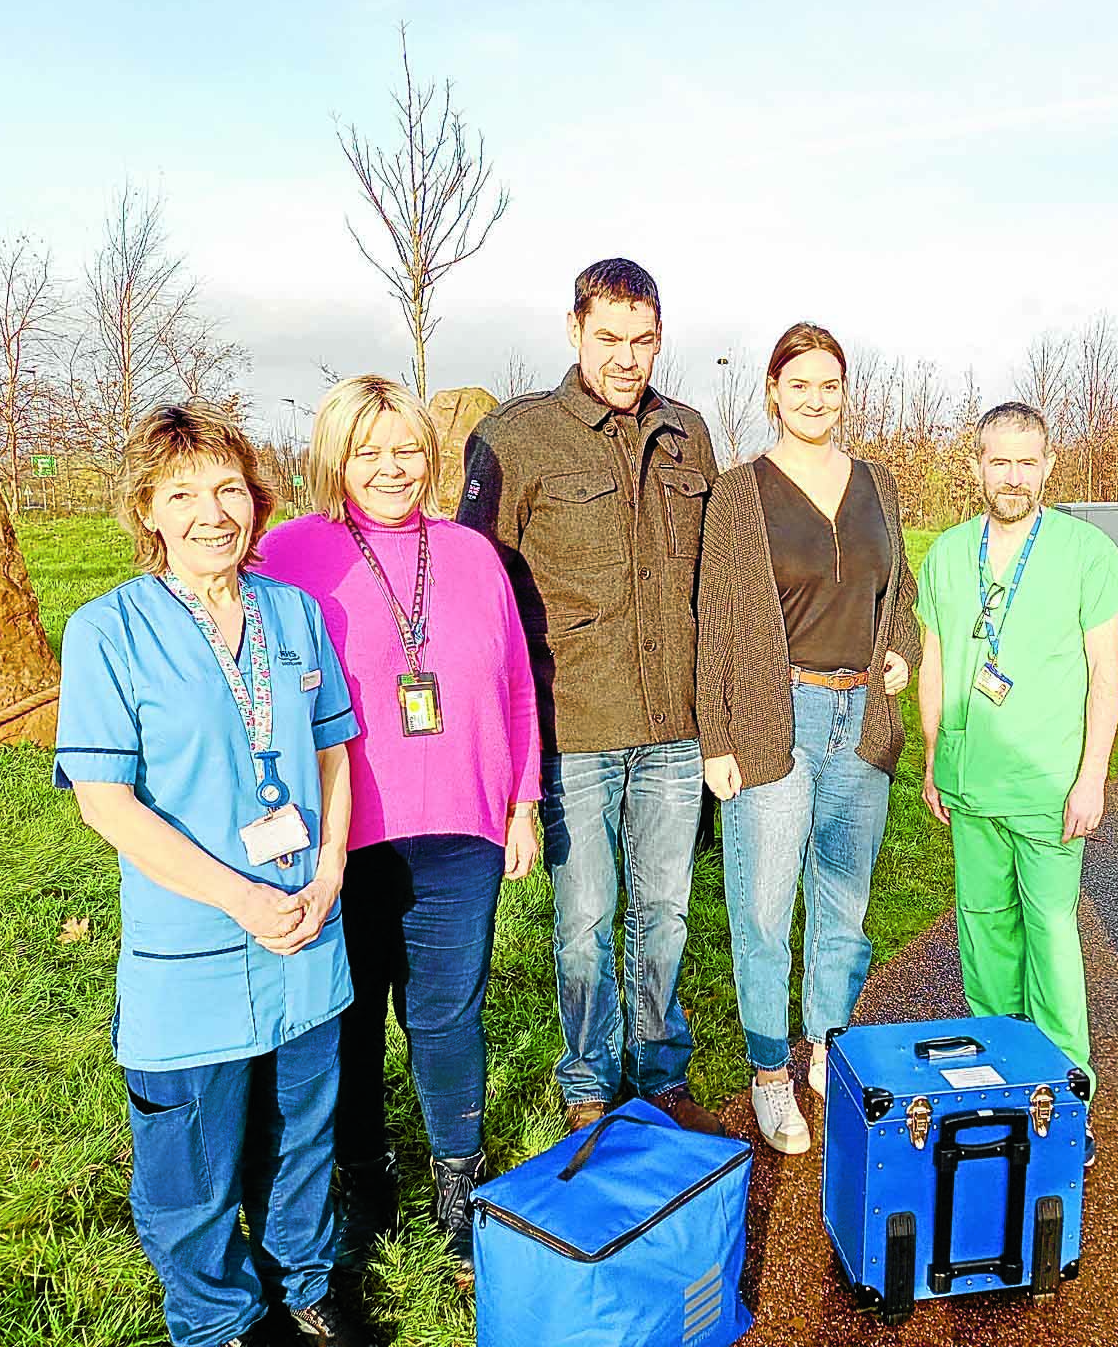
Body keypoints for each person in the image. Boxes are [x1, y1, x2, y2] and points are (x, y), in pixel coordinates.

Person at [54, 402, 377, 1347]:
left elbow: (330, 755)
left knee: (305, 1132)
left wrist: (329, 873)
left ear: (257, 499)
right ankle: (216, 1317)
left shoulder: (294, 613)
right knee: (189, 1162)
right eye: (183, 493)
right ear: (146, 510)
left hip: (307, 924)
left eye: (230, 487)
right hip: (193, 941)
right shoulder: (105, 631)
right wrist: (240, 895)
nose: (212, 512)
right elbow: (104, 801)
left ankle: (305, 1284)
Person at [257, 374, 541, 1273]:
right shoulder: (290, 553)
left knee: (448, 1015)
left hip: (463, 824)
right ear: (335, 459)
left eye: (406, 450)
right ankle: (363, 1176)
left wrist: (522, 800)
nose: (390, 468)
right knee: (351, 1018)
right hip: (345, 831)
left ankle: (458, 1178)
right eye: (367, 452)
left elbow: (515, 684)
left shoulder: (471, 554)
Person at [457, 258, 723, 1135]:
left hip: (674, 729)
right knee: (585, 918)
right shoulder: (518, 437)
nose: (626, 358)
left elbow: (712, 582)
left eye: (643, 340)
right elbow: (476, 590)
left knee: (669, 911)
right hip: (573, 725)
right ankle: (586, 1077)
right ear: (574, 331)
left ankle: (658, 1066)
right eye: (608, 337)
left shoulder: (688, 434)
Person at [695, 323, 921, 1154]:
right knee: (762, 911)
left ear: (843, 391)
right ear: (771, 393)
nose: (815, 400)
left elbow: (897, 594)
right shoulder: (739, 493)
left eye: (829, 385)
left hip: (859, 719)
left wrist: (902, 650)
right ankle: (768, 1076)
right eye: (800, 386)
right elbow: (714, 621)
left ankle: (828, 1046)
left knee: (844, 906)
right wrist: (716, 736)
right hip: (771, 720)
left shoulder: (879, 484)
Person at [916, 401, 1118, 1165]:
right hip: (969, 779)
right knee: (983, 933)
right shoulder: (948, 554)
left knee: (1049, 936)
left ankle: (1064, 1094)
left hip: (1049, 785)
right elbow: (938, 664)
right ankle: (996, 1082)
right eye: (997, 461)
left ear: (1048, 466)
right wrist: (931, 759)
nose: (1011, 476)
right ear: (976, 465)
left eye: (1026, 461)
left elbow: (1105, 680)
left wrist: (1090, 780)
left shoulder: (1085, 551)